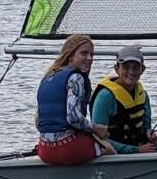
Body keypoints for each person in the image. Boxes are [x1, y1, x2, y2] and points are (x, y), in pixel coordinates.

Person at [35, 34, 113, 165]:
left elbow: (38, 122)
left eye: (92, 55)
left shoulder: (48, 77)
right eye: (84, 53)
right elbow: (73, 118)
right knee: (109, 148)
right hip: (68, 148)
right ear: (70, 56)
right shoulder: (76, 78)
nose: (89, 58)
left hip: (45, 150)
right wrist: (95, 129)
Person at [90, 45, 157, 154]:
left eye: (136, 67)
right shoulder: (104, 97)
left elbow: (147, 127)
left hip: (141, 150)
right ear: (116, 69)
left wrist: (150, 136)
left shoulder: (143, 95)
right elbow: (99, 139)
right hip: (116, 155)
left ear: (143, 69)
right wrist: (136, 150)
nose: (131, 72)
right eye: (126, 67)